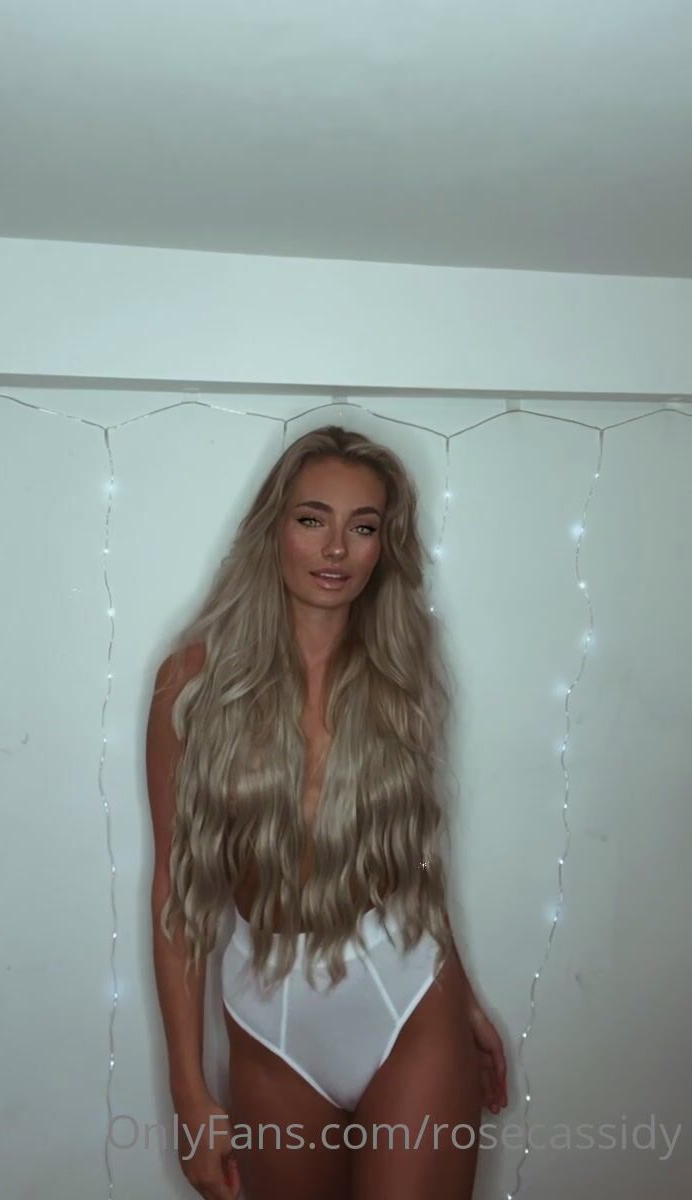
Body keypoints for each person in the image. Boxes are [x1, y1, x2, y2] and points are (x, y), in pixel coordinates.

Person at [147, 425, 507, 1200]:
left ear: (383, 547)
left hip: (406, 993)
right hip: (269, 1012)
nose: (337, 548)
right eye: (313, 519)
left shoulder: (399, 672)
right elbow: (178, 896)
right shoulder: (192, 685)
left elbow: (414, 858)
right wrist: (188, 1092)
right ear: (273, 528)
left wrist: (465, 997)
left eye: (363, 527)